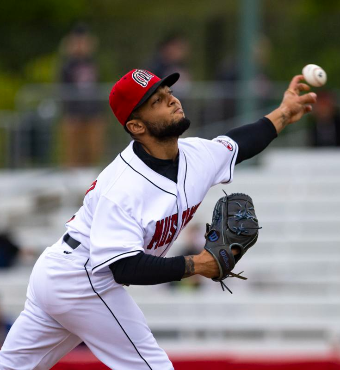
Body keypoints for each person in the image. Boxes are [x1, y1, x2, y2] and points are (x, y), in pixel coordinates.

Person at [0, 69, 316, 369]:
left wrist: (285, 112)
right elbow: (124, 267)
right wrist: (197, 264)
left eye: (168, 92)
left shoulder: (196, 155)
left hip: (62, 274)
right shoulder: (122, 187)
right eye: (157, 101)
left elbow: (239, 144)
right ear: (137, 126)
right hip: (81, 279)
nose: (172, 100)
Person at [59, 23, 106, 167]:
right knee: (73, 152)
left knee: (93, 150)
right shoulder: (67, 65)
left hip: (93, 112)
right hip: (73, 113)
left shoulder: (94, 63)